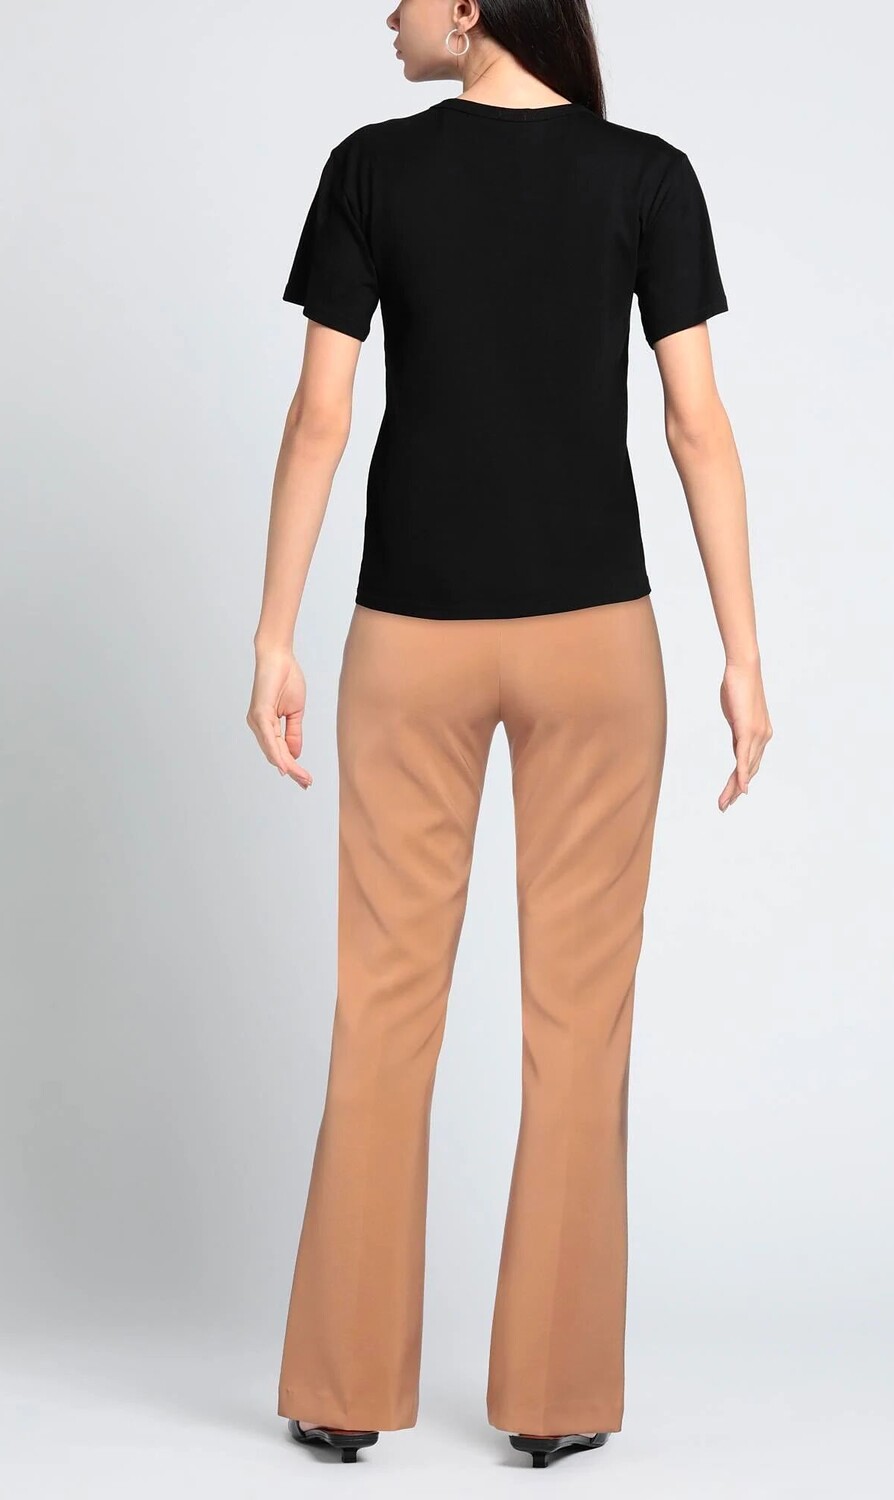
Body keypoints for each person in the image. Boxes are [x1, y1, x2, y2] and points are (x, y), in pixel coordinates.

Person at [246, 0, 772, 1469]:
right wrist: (741, 655)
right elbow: (696, 426)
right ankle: (554, 1401)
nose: (388, 12)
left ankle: (342, 1387)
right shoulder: (646, 177)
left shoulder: (372, 169)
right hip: (597, 642)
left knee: (383, 1006)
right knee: (579, 1023)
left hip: (409, 637)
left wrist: (275, 633)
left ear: (471, 3)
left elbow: (319, 417)